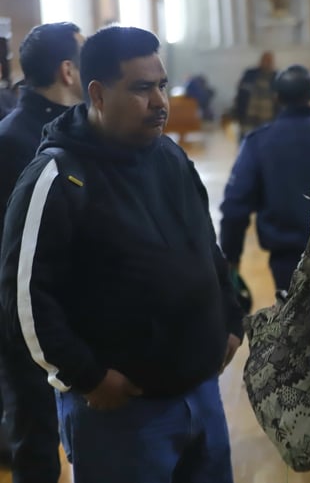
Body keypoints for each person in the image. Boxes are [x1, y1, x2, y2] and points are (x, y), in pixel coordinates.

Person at [0, 25, 245, 483]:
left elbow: (204, 248)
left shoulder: (169, 157)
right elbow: (25, 301)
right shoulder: (55, 177)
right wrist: (88, 376)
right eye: (141, 88)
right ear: (96, 92)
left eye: (162, 86)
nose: (160, 102)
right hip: (122, 413)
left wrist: (230, 322)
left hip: (200, 393)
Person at [0, 21, 85, 483]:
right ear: (69, 70)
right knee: (36, 442)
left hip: (73, 314)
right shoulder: (14, 139)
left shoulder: (76, 129)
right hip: (29, 321)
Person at [219, 64, 310, 292]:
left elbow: (234, 208)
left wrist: (231, 259)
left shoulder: (258, 143)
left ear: (277, 97)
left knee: (297, 322)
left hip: (288, 262)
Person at [234, 51, 276, 138]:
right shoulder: (249, 74)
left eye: (269, 61)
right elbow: (241, 94)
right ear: (260, 61)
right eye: (265, 60)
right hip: (248, 118)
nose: (267, 63)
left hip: (268, 119)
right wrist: (238, 114)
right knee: (246, 142)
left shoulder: (276, 77)